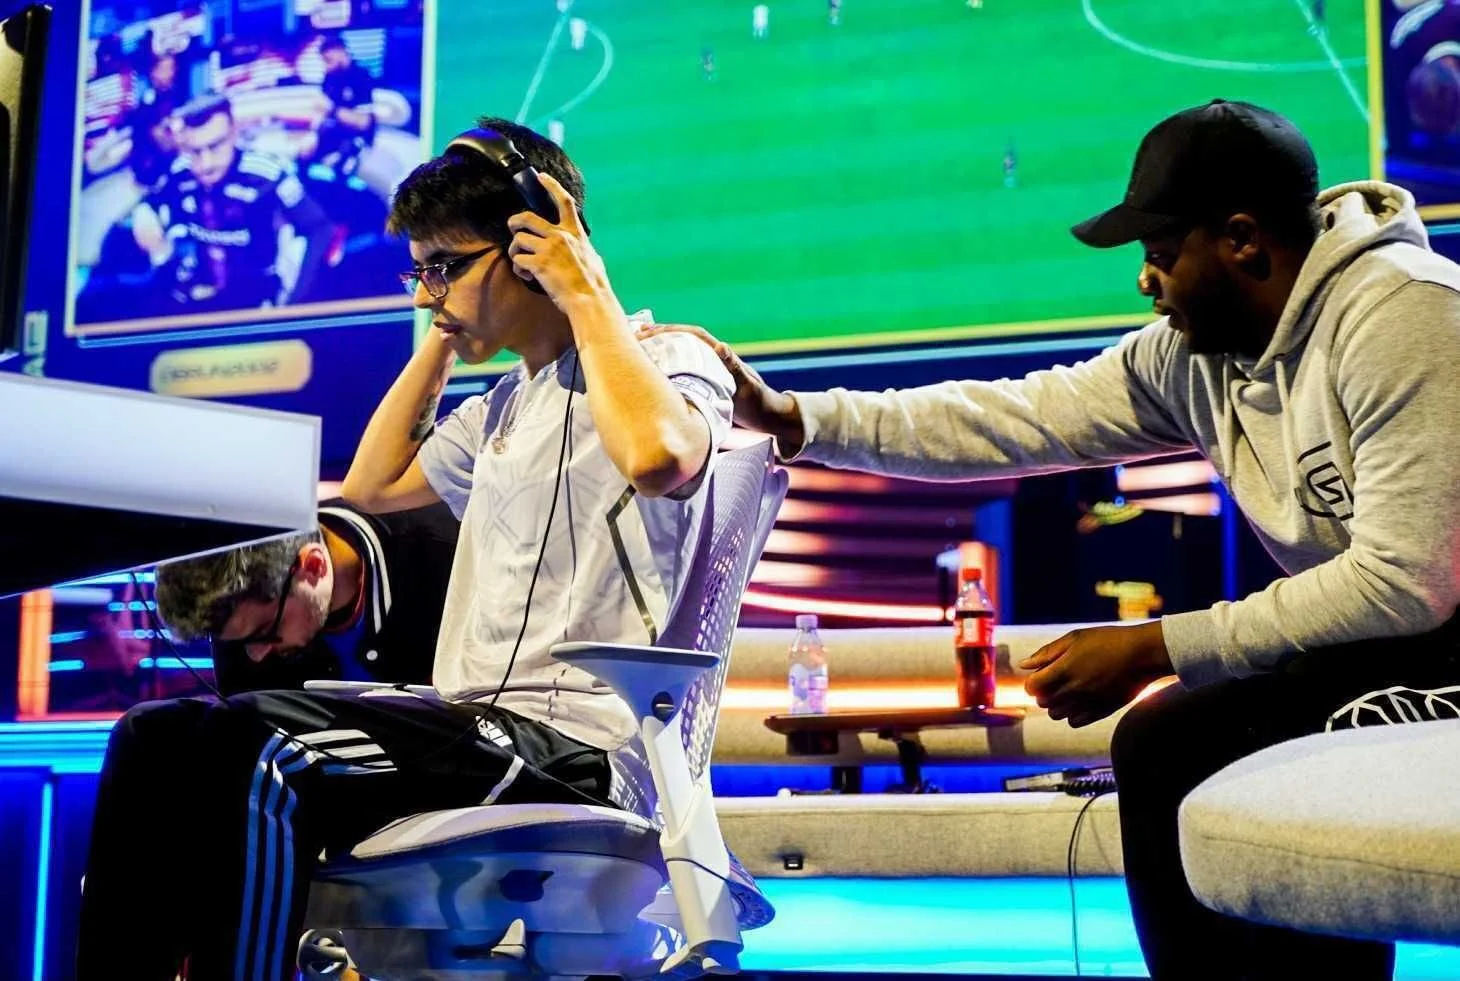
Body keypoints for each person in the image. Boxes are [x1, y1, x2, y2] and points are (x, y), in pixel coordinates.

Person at [643, 100, 1460, 979]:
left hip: (1437, 638)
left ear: (1243, 241)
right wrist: (797, 419)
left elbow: (1407, 580)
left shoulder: (1402, 314)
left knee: (1182, 741)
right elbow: (1015, 417)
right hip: (1378, 647)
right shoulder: (1194, 355)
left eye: (1158, 253)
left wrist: (1156, 644)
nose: (1145, 282)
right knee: (1168, 744)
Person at [74, 116, 732, 981]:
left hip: (574, 752)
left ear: (537, 244)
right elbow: (369, 490)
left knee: (258, 744)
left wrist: (583, 291)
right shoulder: (497, 410)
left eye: (444, 266)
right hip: (476, 732)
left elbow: (660, 458)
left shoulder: (671, 361)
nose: (426, 292)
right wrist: (447, 328)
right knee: (153, 735)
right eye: (418, 270)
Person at [76, 500, 458, 978]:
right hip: (308, 772)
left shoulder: (439, 553)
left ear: (313, 567)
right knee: (145, 731)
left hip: (444, 753)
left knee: (257, 754)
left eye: (265, 633)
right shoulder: (250, 615)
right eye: (240, 644)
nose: (255, 657)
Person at [129, 96, 333, 314]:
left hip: (255, 300)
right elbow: (153, 200)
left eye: (215, 147)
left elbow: (318, 226)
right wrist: (143, 211)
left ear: (234, 133)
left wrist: (295, 302)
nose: (205, 165)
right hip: (194, 300)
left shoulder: (267, 174)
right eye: (195, 151)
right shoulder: (181, 171)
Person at [313, 36, 378, 177]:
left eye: (328, 60)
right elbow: (321, 111)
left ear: (341, 51)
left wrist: (332, 109)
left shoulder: (361, 77)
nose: (326, 65)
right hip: (332, 134)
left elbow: (363, 123)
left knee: (342, 167)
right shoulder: (330, 78)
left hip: (355, 139)